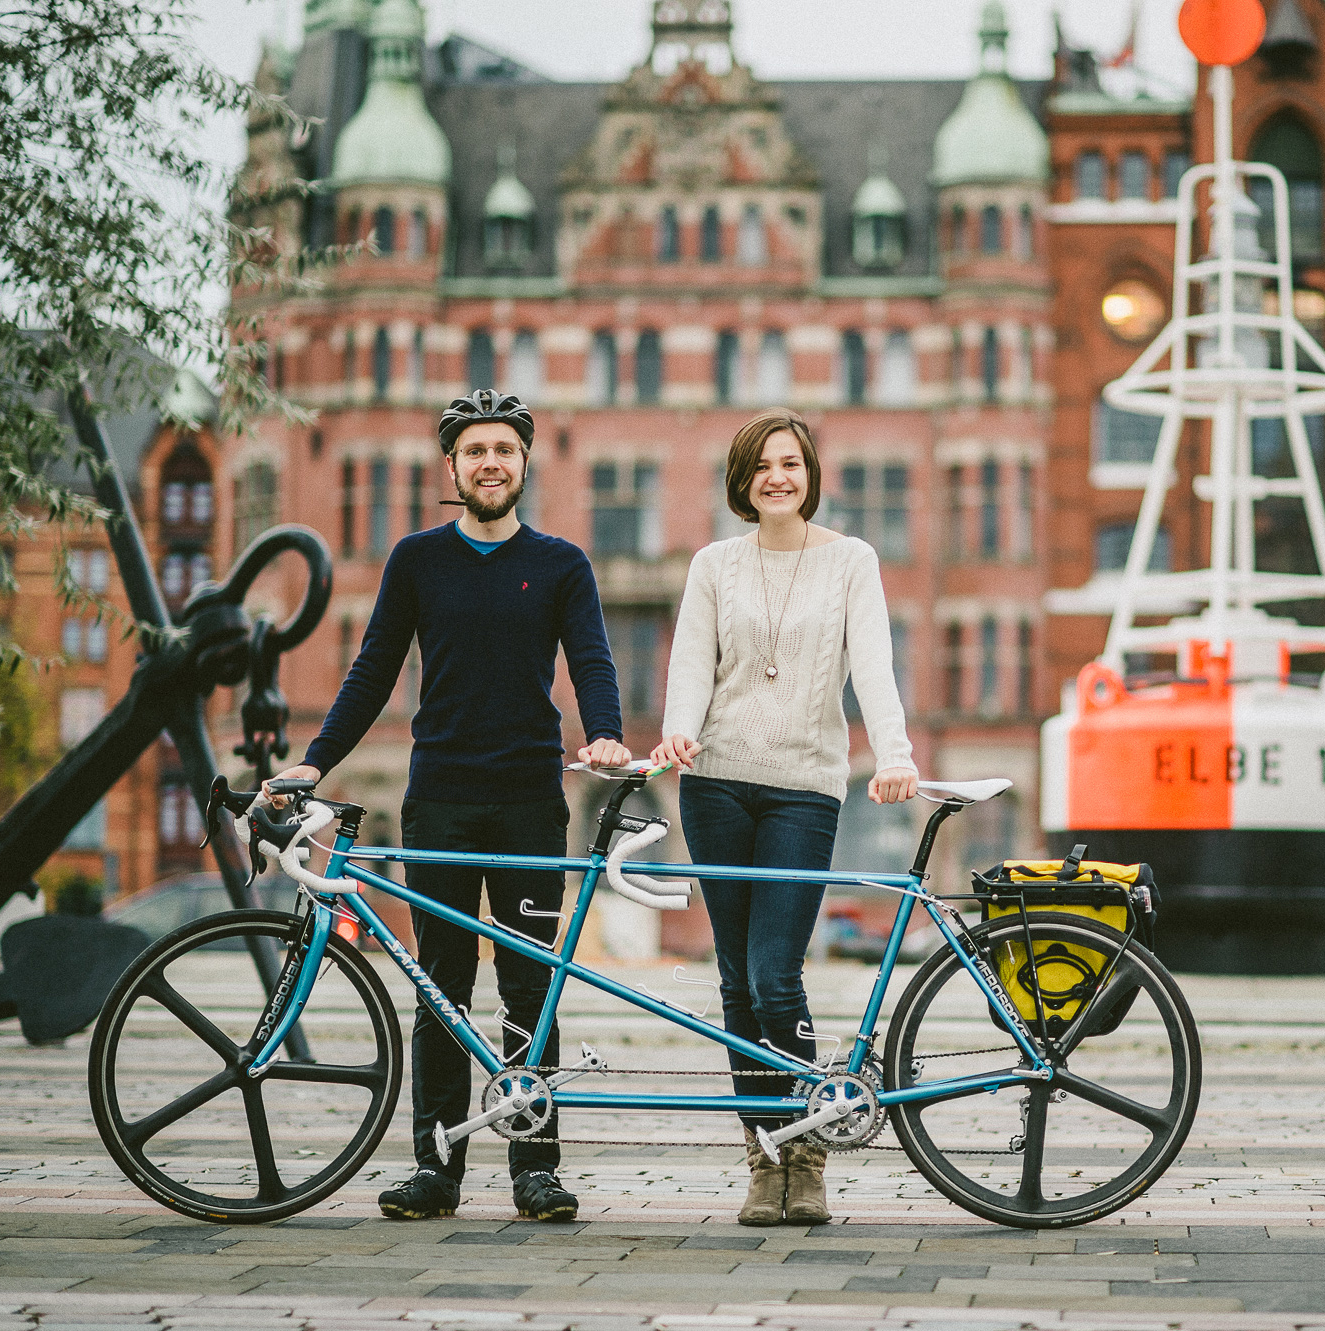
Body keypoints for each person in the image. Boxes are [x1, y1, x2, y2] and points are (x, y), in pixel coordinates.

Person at [266, 389, 630, 1223]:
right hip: (439, 799)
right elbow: (373, 668)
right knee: (441, 989)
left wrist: (606, 734)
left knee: (530, 988)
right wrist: (316, 761)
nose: (491, 462)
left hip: (531, 802)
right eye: (475, 451)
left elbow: (594, 660)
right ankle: (437, 1167)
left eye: (504, 448)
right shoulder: (417, 560)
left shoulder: (563, 563)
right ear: (454, 466)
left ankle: (534, 1166)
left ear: (525, 462)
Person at [651, 409, 918, 1227]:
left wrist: (895, 751)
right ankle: (764, 1157)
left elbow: (872, 659)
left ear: (810, 475)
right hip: (717, 784)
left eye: (792, 464)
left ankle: (808, 1147)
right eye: (763, 465)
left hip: (804, 788)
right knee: (734, 979)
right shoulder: (714, 563)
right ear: (742, 479)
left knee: (775, 973)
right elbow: (692, 659)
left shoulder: (849, 560)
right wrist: (678, 727)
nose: (778, 477)